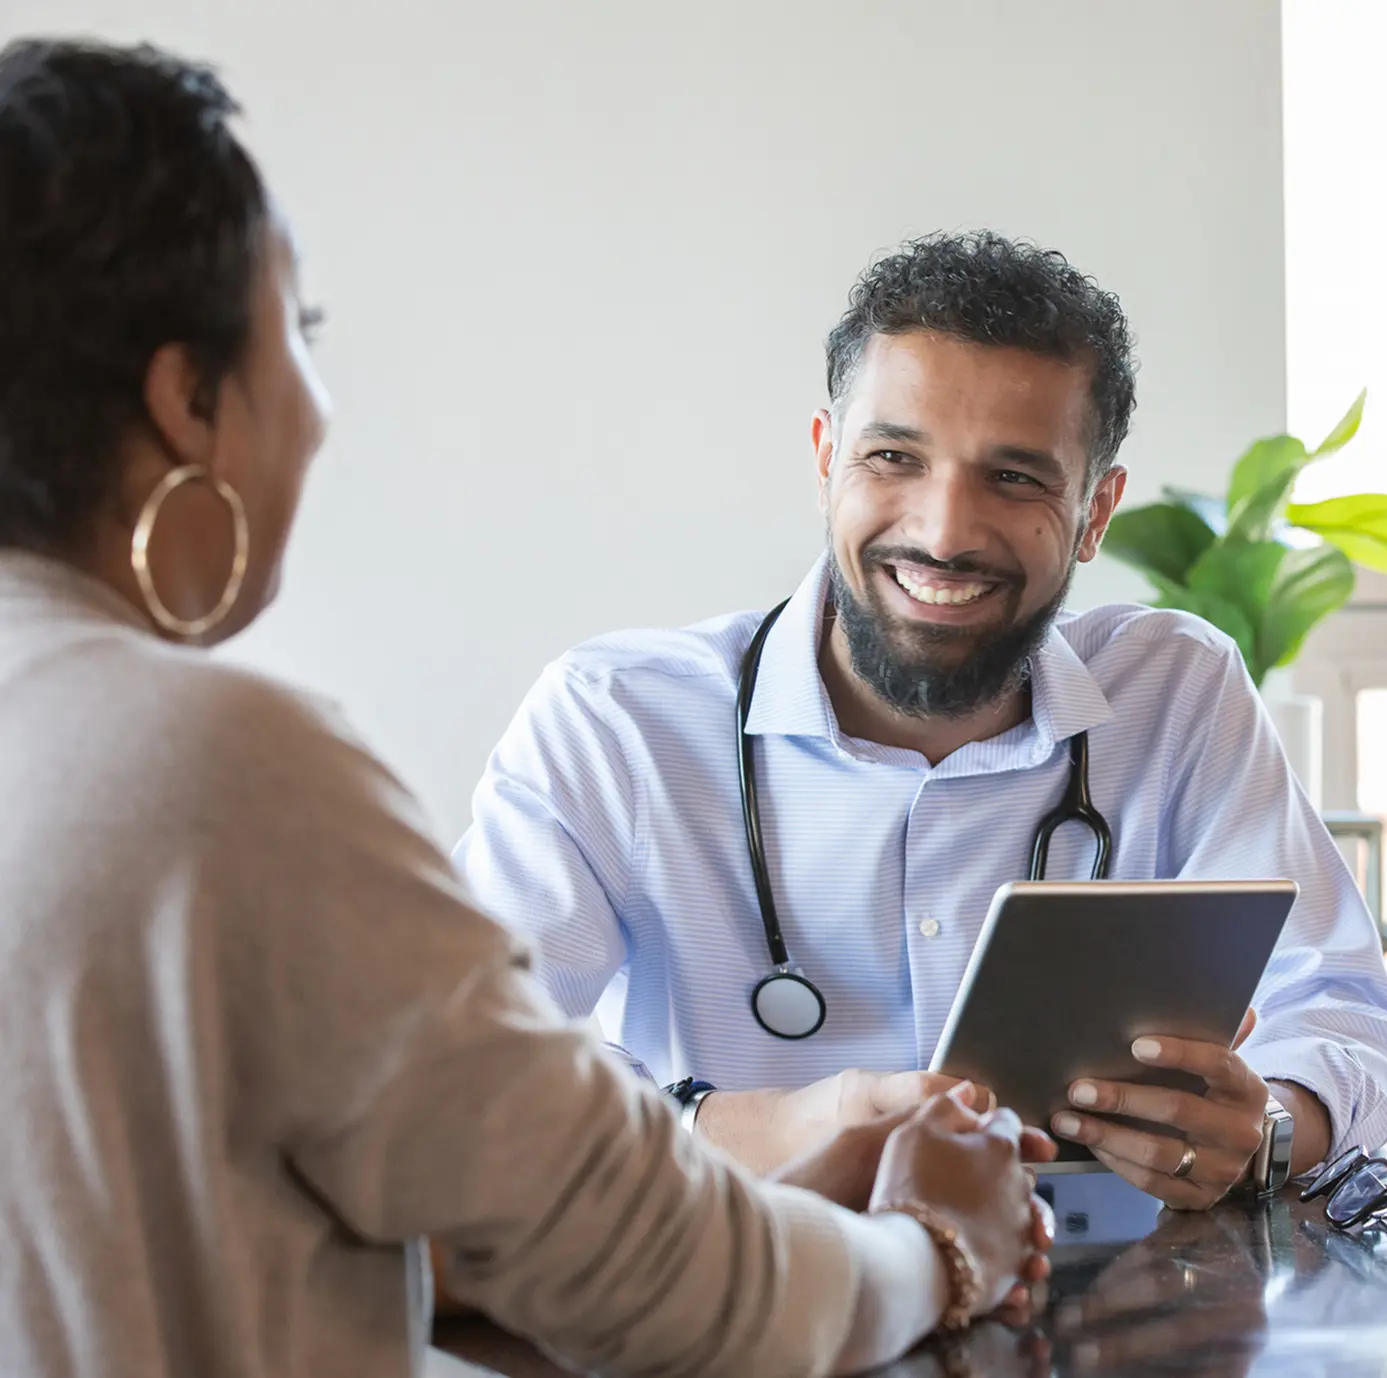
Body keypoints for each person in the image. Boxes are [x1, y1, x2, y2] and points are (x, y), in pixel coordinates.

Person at [0, 38, 1050, 1378]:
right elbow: (677, 1288)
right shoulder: (225, 767)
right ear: (188, 398)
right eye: (300, 336)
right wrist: (935, 1242)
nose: (317, 412)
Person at [456, 231, 1387, 1209]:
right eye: (892, 456)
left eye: (1014, 477)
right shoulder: (616, 721)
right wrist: (740, 1126)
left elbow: (1337, 1007)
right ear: (827, 459)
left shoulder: (1176, 695)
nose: (944, 531)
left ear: (1094, 510)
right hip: (748, 1304)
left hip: (1107, 1311)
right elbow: (468, 1065)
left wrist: (1270, 1122)